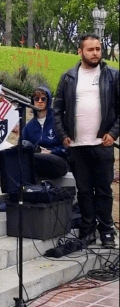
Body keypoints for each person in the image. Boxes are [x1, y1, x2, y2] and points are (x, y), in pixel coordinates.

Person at [53, 33, 118, 248]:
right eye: (90, 49)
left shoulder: (112, 76)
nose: (95, 53)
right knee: (83, 192)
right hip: (77, 146)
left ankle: (107, 231)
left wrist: (114, 133)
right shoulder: (68, 77)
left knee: (104, 191)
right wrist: (63, 135)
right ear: (80, 52)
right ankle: (87, 231)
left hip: (103, 144)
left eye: (98, 49)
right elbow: (57, 110)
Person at [22, 87, 69, 179]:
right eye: (36, 99)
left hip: (58, 160)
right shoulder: (29, 126)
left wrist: (51, 151)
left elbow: (68, 146)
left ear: (48, 101)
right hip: (37, 161)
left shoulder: (58, 120)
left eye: (43, 99)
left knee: (33, 158)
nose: (40, 101)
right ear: (33, 101)